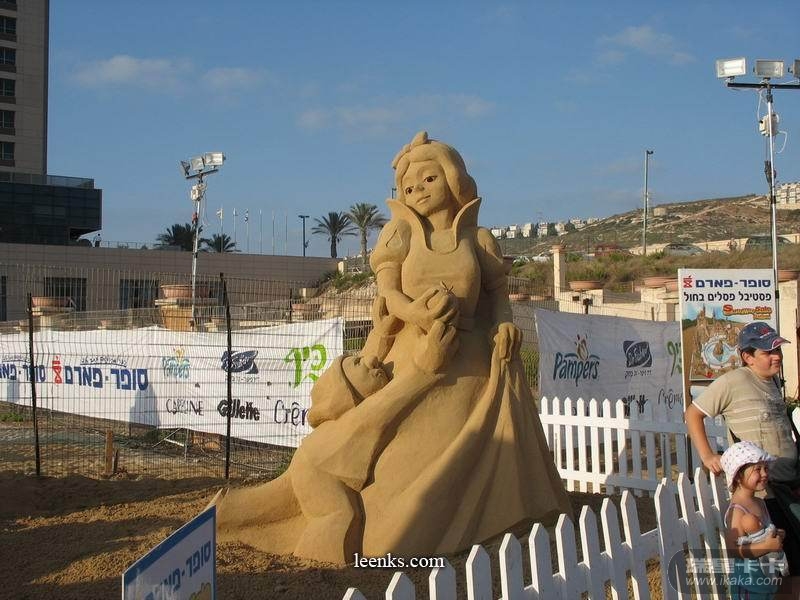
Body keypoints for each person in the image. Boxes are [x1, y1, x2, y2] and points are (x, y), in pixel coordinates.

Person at [216, 131, 571, 563]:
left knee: (463, 455)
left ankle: (494, 520)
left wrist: (504, 326)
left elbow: (497, 296)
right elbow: (388, 294)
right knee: (396, 465)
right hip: (412, 354)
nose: (418, 190)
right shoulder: (399, 233)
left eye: (429, 179)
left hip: (471, 363)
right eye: (409, 186)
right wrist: (417, 315)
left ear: (453, 179)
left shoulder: (479, 239)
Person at [685, 321, 800, 571]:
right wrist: (707, 455)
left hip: (788, 486)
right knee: (782, 568)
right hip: (765, 495)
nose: (777, 356)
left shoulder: (773, 382)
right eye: (768, 352)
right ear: (748, 357)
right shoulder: (733, 382)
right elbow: (693, 413)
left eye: (777, 350)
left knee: (794, 566)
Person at [721, 441, 786, 599]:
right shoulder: (737, 511)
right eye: (757, 469)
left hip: (765, 581)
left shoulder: (759, 502)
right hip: (749, 586)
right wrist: (767, 546)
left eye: (765, 468)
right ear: (738, 476)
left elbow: (761, 533)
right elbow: (734, 550)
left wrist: (776, 534)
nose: (764, 474)